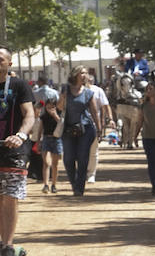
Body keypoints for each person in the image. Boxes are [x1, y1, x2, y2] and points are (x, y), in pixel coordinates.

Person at [0, 49, 35, 256]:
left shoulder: (19, 86)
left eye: (0, 59)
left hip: (12, 150)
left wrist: (20, 135)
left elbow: (29, 115)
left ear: (9, 62)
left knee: (9, 197)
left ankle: (8, 246)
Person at [57, 69, 98, 197]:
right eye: (82, 72)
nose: (84, 75)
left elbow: (94, 112)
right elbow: (58, 107)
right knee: (68, 159)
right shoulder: (66, 90)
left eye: (85, 73)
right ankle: (74, 183)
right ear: (75, 74)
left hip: (85, 129)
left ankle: (79, 187)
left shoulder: (88, 93)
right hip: (68, 128)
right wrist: (63, 98)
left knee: (82, 158)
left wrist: (100, 129)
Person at [84, 67, 111, 183]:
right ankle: (83, 171)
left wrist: (108, 119)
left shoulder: (98, 90)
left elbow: (105, 105)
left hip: (93, 123)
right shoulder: (76, 91)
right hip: (79, 124)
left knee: (93, 150)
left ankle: (91, 173)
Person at [38, 95, 62, 193]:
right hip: (46, 139)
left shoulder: (59, 115)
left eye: (52, 107)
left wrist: (55, 115)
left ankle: (54, 184)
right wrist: (38, 141)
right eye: (48, 107)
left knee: (55, 164)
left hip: (56, 139)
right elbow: (40, 128)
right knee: (46, 163)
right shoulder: (43, 116)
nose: (50, 109)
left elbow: (61, 123)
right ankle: (46, 184)